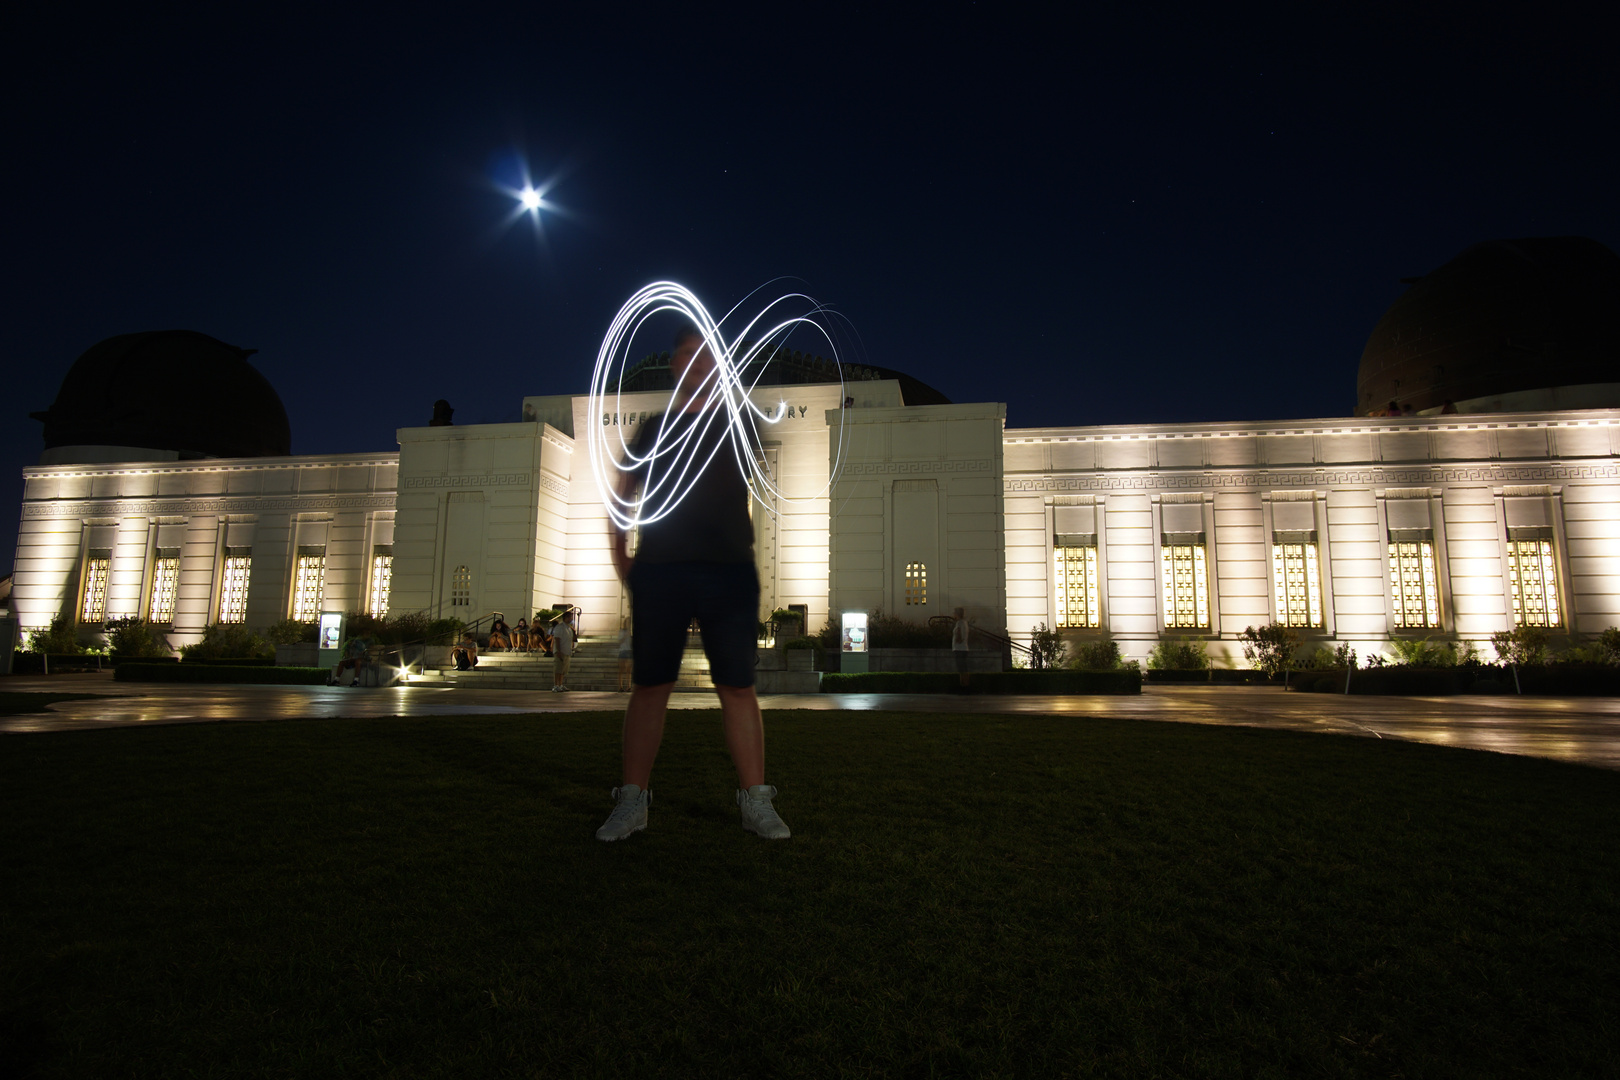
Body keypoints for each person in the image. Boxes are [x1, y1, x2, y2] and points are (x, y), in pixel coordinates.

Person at [595, 325, 790, 843]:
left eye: (708, 355)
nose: (698, 362)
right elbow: (625, 489)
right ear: (675, 364)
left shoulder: (739, 423)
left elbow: (763, 477)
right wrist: (622, 555)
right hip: (662, 570)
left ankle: (756, 799)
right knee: (650, 687)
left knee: (738, 688)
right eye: (688, 353)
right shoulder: (655, 428)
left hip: (728, 571)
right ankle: (632, 800)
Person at [550, 613, 574, 691]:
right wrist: (558, 650)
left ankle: (560, 684)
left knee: (563, 670)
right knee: (558, 669)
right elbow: (557, 639)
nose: (571, 619)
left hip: (566, 651)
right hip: (560, 651)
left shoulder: (569, 628)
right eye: (570, 617)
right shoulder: (560, 627)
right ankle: (556, 685)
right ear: (565, 618)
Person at [952, 607, 971, 691]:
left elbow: (959, 636)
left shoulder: (959, 623)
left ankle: (964, 686)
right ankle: (964, 686)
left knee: (961, 669)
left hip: (959, 649)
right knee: (963, 669)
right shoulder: (964, 623)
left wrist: (957, 640)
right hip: (963, 648)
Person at [615, 617, 633, 692]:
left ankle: (629, 686)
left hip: (629, 651)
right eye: (627, 622)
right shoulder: (622, 631)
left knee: (629, 670)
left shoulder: (632, 631)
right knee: (621, 670)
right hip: (623, 651)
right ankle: (620, 687)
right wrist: (626, 635)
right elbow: (620, 641)